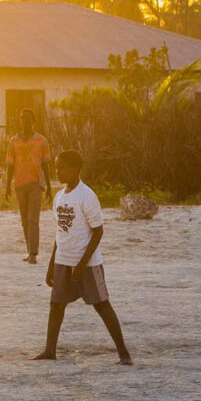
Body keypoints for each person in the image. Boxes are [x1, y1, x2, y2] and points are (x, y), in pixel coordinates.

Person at [34, 150, 132, 365]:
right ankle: (50, 350)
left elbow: (98, 231)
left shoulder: (87, 196)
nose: (58, 171)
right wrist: (51, 265)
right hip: (63, 259)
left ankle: (124, 354)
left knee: (102, 305)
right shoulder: (59, 197)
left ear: (76, 169)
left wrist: (81, 263)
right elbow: (60, 233)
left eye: (62, 167)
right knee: (56, 305)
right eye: (57, 167)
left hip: (87, 263)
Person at [4, 110, 53, 263]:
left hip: (35, 184)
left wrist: (49, 187)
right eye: (22, 119)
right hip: (19, 184)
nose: (25, 122)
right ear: (20, 121)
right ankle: (29, 250)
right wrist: (7, 186)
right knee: (24, 220)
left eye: (28, 119)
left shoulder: (42, 141)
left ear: (33, 121)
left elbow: (46, 165)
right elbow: (10, 166)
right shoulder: (13, 141)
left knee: (33, 219)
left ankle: (33, 253)